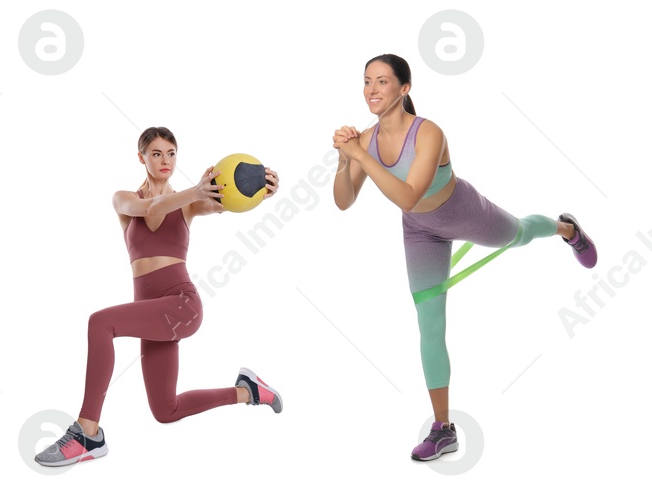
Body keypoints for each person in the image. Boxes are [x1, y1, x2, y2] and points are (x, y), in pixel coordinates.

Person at [330, 54, 597, 461]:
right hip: (420, 232)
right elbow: (344, 201)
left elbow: (407, 194)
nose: (372, 90)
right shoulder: (364, 141)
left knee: (521, 234)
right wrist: (343, 159)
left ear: (404, 89)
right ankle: (443, 429)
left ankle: (567, 229)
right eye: (367, 81)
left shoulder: (429, 133)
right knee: (430, 324)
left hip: (465, 212)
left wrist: (360, 156)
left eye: (382, 82)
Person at [34, 127, 284, 467]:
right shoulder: (125, 199)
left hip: (181, 304)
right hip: (152, 313)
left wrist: (259, 191)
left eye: (171, 153)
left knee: (100, 322)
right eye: (156, 154)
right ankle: (249, 391)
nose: (165, 160)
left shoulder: (191, 204)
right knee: (166, 410)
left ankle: (87, 432)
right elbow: (151, 207)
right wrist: (193, 191)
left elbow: (226, 203)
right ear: (142, 158)